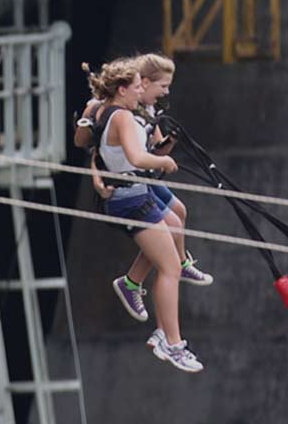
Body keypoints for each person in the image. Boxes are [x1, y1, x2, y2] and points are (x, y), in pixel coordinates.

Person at [85, 58, 203, 372]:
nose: (142, 91)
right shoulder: (122, 117)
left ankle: (138, 293)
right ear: (123, 89)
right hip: (130, 199)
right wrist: (162, 162)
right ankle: (173, 343)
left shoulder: (116, 112)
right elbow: (136, 157)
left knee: (175, 224)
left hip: (134, 193)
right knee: (169, 268)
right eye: (138, 86)